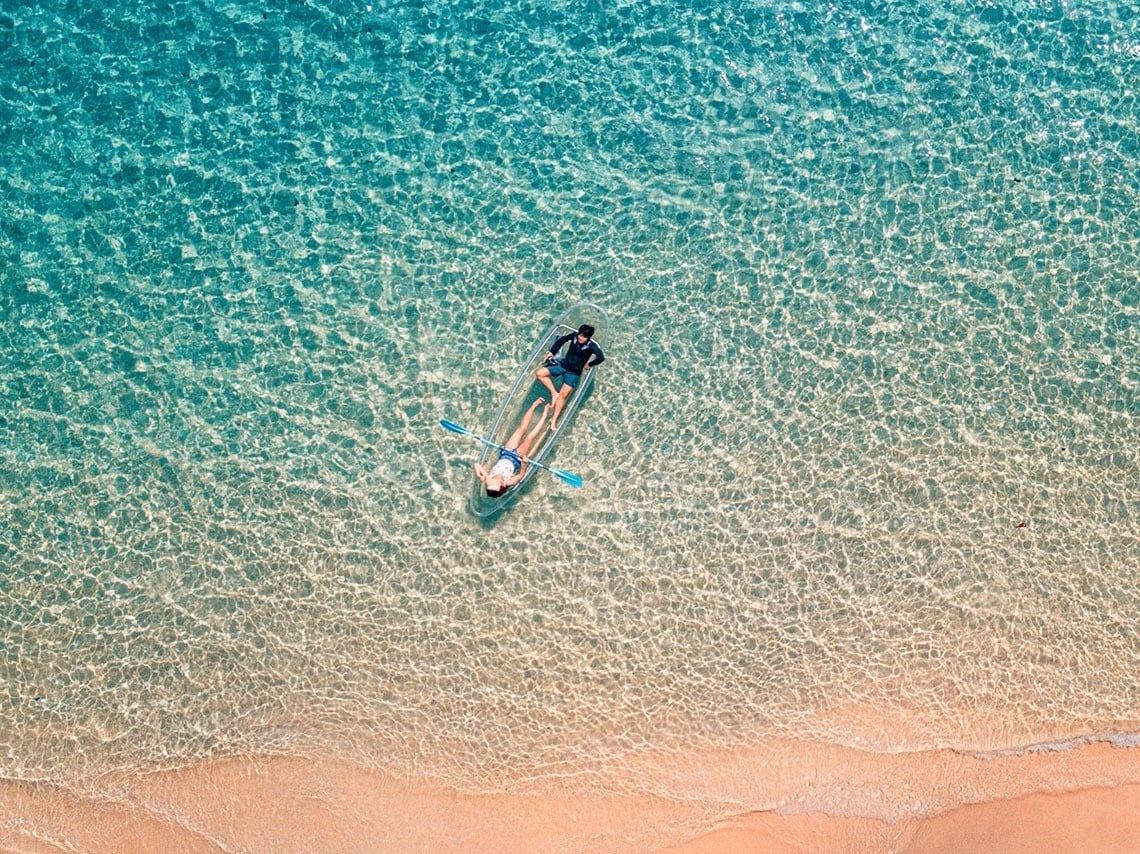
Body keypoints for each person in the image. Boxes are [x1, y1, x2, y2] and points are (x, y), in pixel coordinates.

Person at [474, 398, 550, 498]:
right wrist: (524, 464)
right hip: (516, 459)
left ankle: (533, 405)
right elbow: (520, 475)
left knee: (521, 429)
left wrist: (479, 475)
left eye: (491, 484)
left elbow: (477, 464)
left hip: (505, 453)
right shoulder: (508, 482)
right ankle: (544, 416)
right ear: (502, 485)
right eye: (497, 483)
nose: (494, 481)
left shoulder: (488, 479)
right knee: (529, 437)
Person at [536, 324, 605, 430]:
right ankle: (554, 393)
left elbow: (601, 358)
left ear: (588, 338)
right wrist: (552, 352)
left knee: (563, 395)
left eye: (584, 337)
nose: (581, 338)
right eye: (580, 335)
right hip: (563, 365)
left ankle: (553, 420)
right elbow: (561, 341)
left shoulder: (592, 346)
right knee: (540, 373)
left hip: (574, 372)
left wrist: (589, 364)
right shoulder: (574, 336)